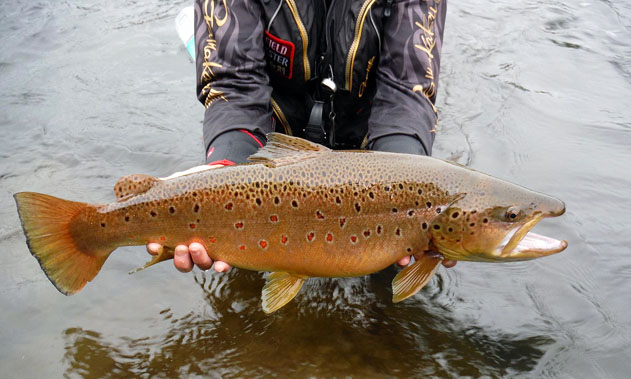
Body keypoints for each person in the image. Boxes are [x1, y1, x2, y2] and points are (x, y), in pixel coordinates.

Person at [148, 0, 456, 272]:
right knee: (237, 263)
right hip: (268, 153)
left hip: (372, 150)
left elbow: (406, 90)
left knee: (390, 267)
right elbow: (235, 83)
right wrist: (226, 166)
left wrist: (412, 202)